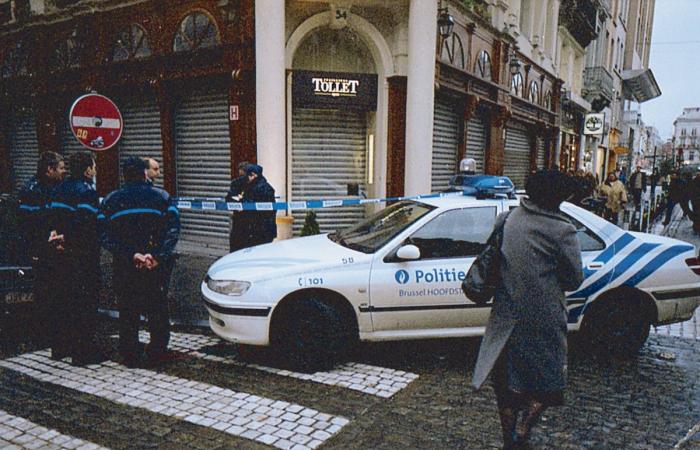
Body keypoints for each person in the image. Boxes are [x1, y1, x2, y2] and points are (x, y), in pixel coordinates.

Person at [471, 169, 583, 449]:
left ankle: (509, 439)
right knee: (546, 383)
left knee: (506, 384)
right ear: (559, 198)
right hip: (544, 320)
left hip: (507, 318)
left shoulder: (507, 219)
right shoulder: (563, 230)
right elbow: (573, 279)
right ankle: (524, 428)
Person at [99, 157, 180, 367]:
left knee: (128, 310)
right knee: (158, 309)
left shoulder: (111, 200)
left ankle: (130, 354)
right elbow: (172, 230)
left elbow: (104, 234)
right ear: (145, 173)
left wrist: (131, 254)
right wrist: (157, 256)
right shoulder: (161, 197)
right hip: (155, 267)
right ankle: (158, 352)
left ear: (124, 175)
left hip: (126, 266)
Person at [46, 151, 104, 365]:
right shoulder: (86, 192)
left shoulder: (59, 188)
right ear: (88, 169)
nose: (95, 170)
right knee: (85, 303)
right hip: (83, 255)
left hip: (60, 254)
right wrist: (68, 239)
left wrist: (57, 236)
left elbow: (53, 217)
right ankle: (83, 353)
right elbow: (86, 225)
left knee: (64, 301)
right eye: (94, 166)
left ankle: (60, 348)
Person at [17, 151, 66, 345]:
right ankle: (44, 334)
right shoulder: (33, 191)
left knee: (54, 289)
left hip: (53, 245)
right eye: (61, 168)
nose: (64, 171)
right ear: (49, 170)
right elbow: (27, 224)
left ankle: (53, 332)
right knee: (45, 290)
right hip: (40, 248)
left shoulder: (54, 187)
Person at [239, 164, 277, 248]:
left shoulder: (257, 188)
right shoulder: (265, 186)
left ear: (254, 175)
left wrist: (241, 201)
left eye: (247, 176)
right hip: (265, 229)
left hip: (258, 229)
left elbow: (253, 206)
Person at [225, 161, 250, 252]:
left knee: (236, 240)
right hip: (249, 217)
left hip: (238, 216)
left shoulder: (236, 182)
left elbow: (229, 198)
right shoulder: (252, 183)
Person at [688, 169, 700, 234]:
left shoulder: (693, 181)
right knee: (696, 213)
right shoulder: (694, 181)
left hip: (695, 200)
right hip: (695, 200)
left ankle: (696, 226)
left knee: (696, 213)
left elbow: (691, 191)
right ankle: (696, 226)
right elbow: (691, 191)